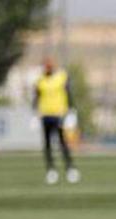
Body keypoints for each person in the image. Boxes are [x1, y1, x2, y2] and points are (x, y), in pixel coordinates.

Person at [33, 57, 79, 185]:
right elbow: (36, 97)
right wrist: (34, 114)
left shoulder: (61, 78)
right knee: (47, 145)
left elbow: (68, 94)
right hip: (45, 115)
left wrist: (71, 110)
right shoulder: (40, 81)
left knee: (62, 143)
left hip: (59, 115)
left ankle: (70, 169)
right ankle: (51, 170)